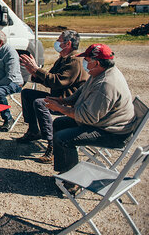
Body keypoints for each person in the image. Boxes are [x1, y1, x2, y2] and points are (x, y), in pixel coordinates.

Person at [45, 44, 135, 179]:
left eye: (86, 60)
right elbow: (81, 92)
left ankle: (72, 181)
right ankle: (65, 171)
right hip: (103, 122)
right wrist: (63, 101)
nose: (84, 63)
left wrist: (60, 108)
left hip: (112, 133)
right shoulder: (99, 72)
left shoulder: (105, 84)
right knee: (59, 123)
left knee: (63, 138)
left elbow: (87, 117)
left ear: (96, 62)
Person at [18, 30, 89, 163]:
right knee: (27, 93)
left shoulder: (74, 60)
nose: (56, 42)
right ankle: (33, 131)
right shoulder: (63, 59)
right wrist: (34, 72)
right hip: (58, 96)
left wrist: (36, 70)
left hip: (67, 101)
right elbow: (49, 79)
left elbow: (57, 81)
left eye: (59, 40)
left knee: (40, 103)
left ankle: (52, 143)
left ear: (67, 43)